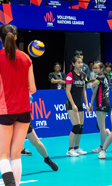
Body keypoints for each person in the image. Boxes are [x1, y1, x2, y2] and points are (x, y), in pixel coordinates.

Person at [0, 24, 36, 186]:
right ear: (15, 37)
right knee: (16, 154)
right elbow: (33, 89)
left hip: (6, 109)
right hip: (24, 110)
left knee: (3, 155)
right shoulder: (26, 58)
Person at [21, 95, 58, 171]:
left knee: (37, 143)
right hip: (9, 119)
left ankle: (47, 159)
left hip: (24, 120)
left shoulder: (28, 94)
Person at [90, 62, 112, 153]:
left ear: (102, 69)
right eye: (94, 68)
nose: (95, 70)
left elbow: (94, 90)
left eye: (97, 68)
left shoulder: (99, 78)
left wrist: (91, 104)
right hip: (105, 103)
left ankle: (102, 147)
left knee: (101, 127)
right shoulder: (105, 77)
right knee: (100, 125)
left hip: (101, 103)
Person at [65, 56, 90, 157]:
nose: (81, 64)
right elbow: (67, 91)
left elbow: (83, 91)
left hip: (79, 104)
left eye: (81, 62)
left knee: (81, 127)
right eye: (78, 62)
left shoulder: (83, 75)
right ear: (73, 64)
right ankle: (70, 149)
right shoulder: (70, 75)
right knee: (76, 126)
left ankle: (77, 147)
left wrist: (87, 104)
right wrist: (73, 104)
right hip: (71, 104)